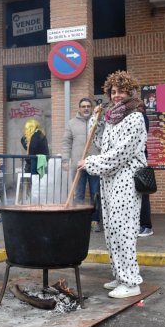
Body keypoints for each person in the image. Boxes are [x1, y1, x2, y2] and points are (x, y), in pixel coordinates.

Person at [78, 70, 147, 299]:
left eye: (121, 91)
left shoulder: (135, 117)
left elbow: (119, 155)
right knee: (112, 231)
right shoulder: (111, 118)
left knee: (124, 231)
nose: (117, 95)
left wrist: (89, 163)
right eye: (113, 92)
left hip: (126, 181)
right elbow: (99, 144)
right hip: (109, 181)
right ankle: (120, 275)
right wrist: (95, 123)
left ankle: (131, 281)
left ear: (130, 91)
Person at [62, 98, 101, 233]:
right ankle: (79, 220)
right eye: (83, 106)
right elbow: (66, 143)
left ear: (91, 108)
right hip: (78, 165)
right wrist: (65, 160)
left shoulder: (97, 121)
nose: (86, 108)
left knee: (95, 193)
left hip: (95, 164)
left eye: (88, 106)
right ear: (79, 108)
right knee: (78, 194)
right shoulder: (71, 123)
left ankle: (94, 221)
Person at [138, 110, 154, 237]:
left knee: (142, 195)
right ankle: (142, 225)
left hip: (140, 164)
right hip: (140, 162)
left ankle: (146, 226)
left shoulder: (140, 117)